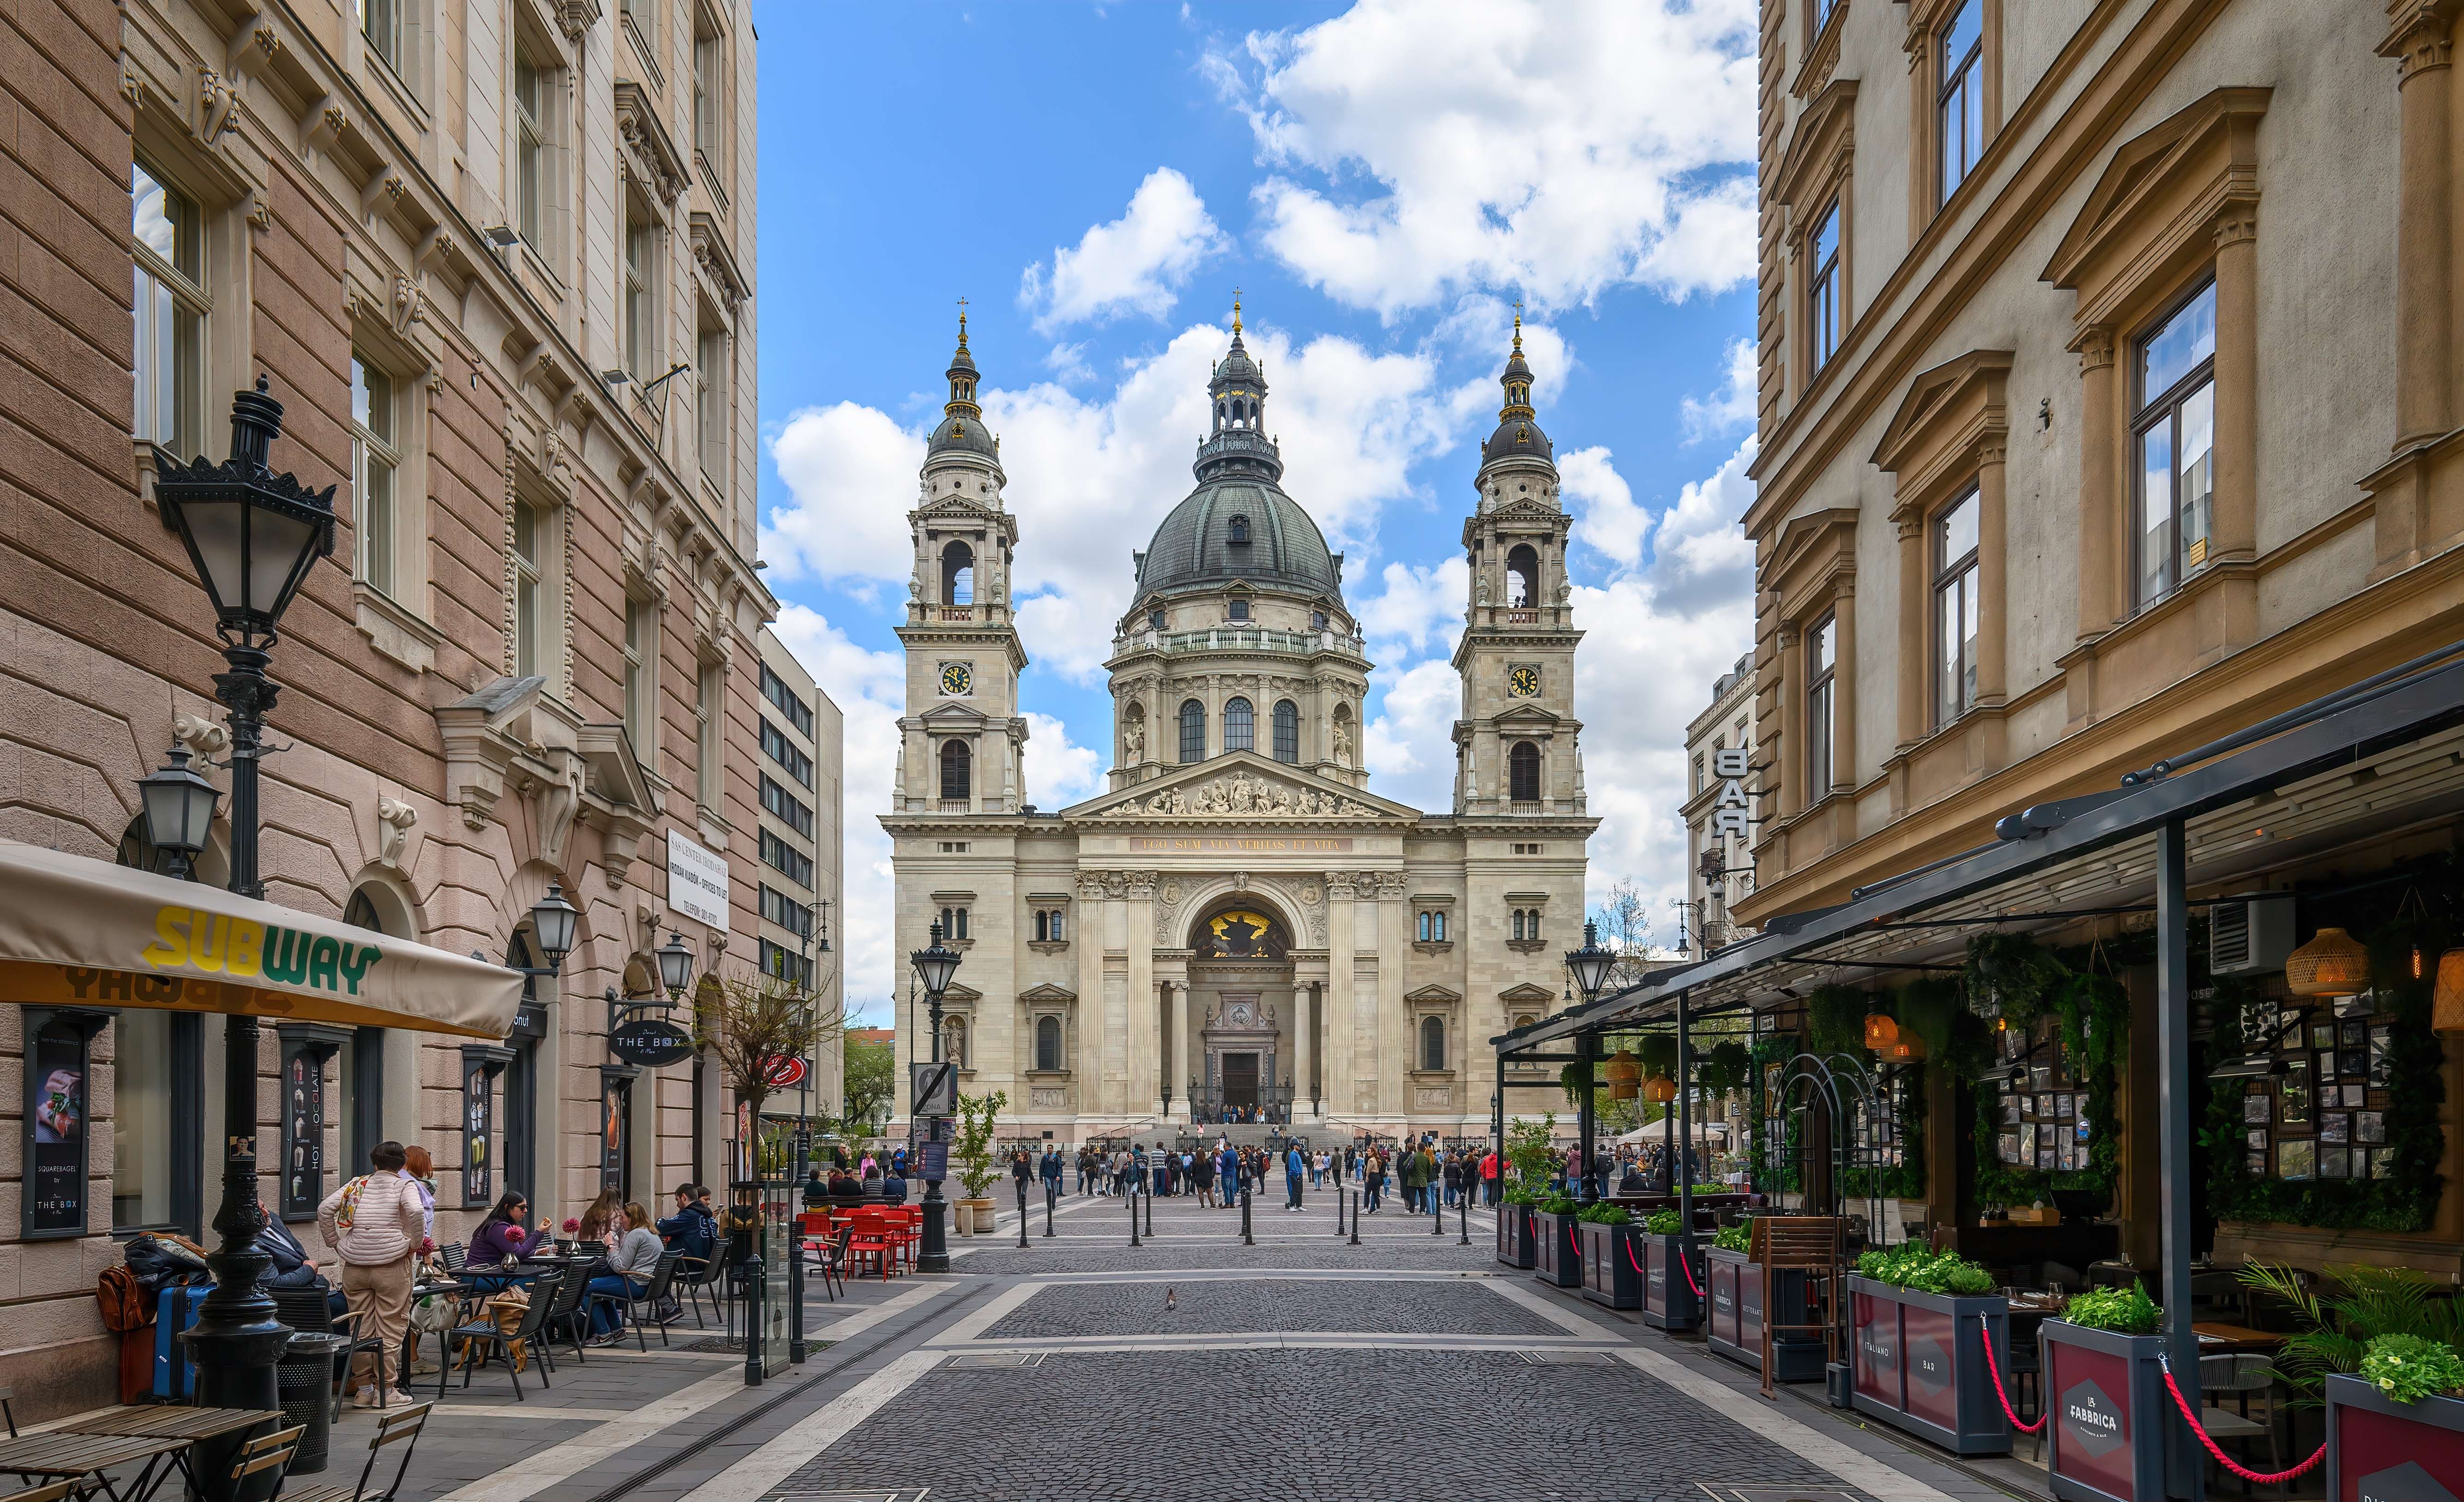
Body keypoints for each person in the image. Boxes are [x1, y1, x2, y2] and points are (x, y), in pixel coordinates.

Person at [318, 1141, 426, 1408]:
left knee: (360, 1328)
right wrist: (412, 1244)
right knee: (390, 1327)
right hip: (391, 1265)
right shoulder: (405, 1185)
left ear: (374, 1163)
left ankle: (364, 1390)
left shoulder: (357, 1184)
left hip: (355, 1265)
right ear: (402, 1165)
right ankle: (386, 1390)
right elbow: (415, 1211)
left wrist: (336, 1243)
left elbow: (324, 1209)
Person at [587, 1203, 662, 1343]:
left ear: (632, 1218)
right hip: (650, 1285)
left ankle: (603, 1334)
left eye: (623, 1218)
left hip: (636, 1285)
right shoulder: (650, 1232)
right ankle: (616, 1330)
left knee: (585, 1288)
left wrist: (611, 1246)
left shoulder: (635, 1234)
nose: (621, 1221)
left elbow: (620, 1267)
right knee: (600, 1290)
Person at [658, 1185, 715, 1262]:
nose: (677, 1205)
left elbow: (661, 1228)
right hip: (706, 1268)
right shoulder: (709, 1218)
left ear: (684, 1197)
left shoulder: (689, 1215)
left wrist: (661, 1220)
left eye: (677, 1200)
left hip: (687, 1267)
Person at [1284, 1142, 1305, 1211]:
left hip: (1299, 1174)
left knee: (1299, 1191)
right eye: (1297, 1145)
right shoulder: (1293, 1154)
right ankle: (1292, 1206)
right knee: (1295, 1191)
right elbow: (1293, 1166)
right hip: (1295, 1175)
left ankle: (1299, 1205)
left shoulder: (1297, 1154)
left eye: (1299, 1145)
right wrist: (1297, 1175)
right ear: (1294, 1146)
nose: (1299, 1147)